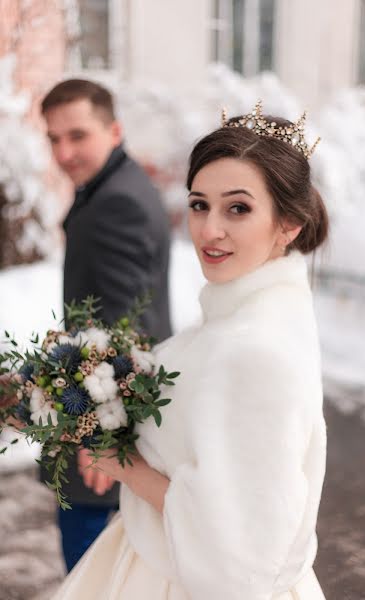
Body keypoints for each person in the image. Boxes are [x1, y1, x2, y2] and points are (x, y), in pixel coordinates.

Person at [52, 102, 328, 599]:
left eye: (237, 208)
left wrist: (121, 463)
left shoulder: (256, 350)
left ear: (288, 224)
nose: (209, 229)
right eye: (200, 204)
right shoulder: (235, 321)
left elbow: (237, 552)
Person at [40, 79, 172, 572]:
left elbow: (126, 327)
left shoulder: (117, 202)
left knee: (95, 571)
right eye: (53, 138)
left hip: (105, 425)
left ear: (114, 129)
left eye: (77, 135)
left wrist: (99, 439)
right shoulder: (118, 185)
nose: (64, 151)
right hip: (106, 409)